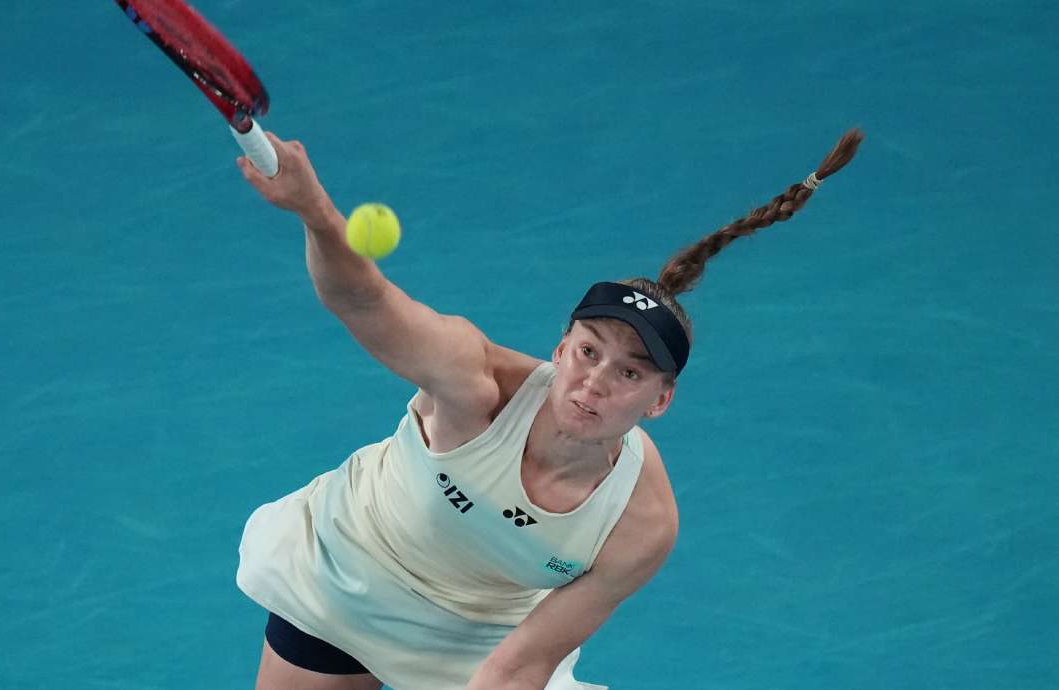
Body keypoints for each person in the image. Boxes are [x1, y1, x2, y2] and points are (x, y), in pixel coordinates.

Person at [233, 129, 863, 690]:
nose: (594, 382)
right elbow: (364, 302)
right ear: (561, 348)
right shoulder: (475, 382)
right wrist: (316, 213)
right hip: (353, 567)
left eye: (630, 372)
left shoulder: (640, 522)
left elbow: (518, 666)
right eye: (588, 351)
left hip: (479, 636)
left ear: (660, 401)